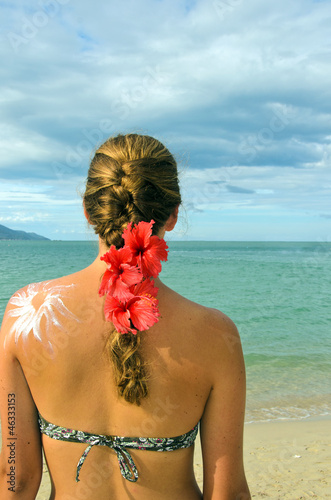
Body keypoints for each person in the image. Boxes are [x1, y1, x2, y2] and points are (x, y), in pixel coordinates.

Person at [0, 133, 250, 499]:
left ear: (88, 211)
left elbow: (15, 479)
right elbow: (228, 495)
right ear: (173, 215)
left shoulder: (27, 315)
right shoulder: (216, 336)